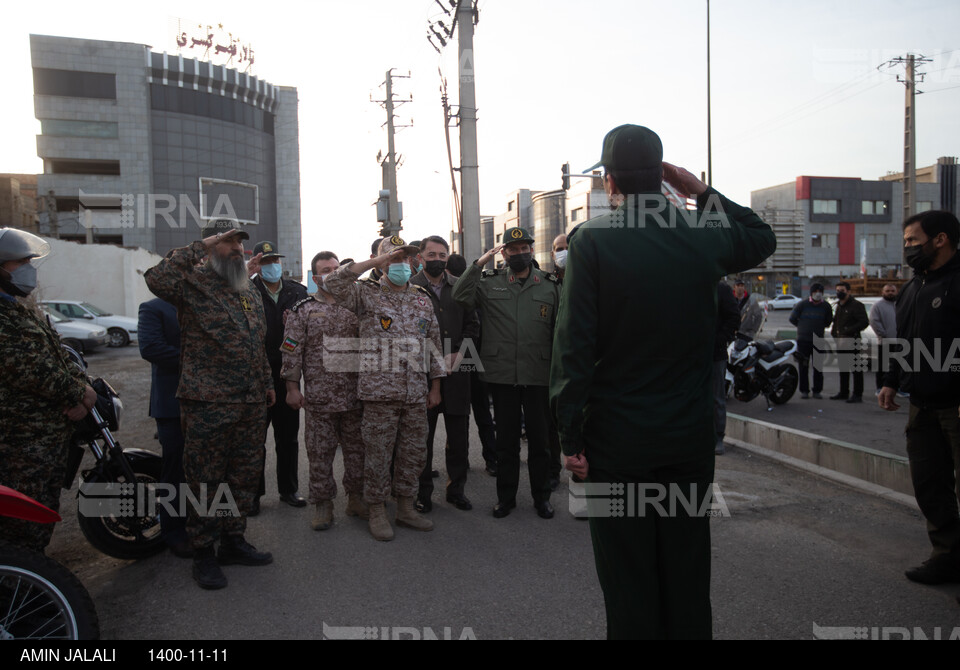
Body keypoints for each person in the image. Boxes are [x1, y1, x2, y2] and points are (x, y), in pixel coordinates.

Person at [550, 124, 776, 639]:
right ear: (664, 177)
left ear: (609, 181)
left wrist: (570, 437)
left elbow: (573, 349)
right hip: (688, 440)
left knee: (628, 576)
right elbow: (762, 236)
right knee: (687, 569)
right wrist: (700, 191)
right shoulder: (703, 235)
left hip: (616, 443)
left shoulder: (593, 242)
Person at [144, 220, 276, 590]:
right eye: (228, 242)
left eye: (239, 243)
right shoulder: (191, 285)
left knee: (242, 477)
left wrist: (266, 383)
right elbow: (156, 278)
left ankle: (233, 541)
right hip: (208, 402)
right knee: (205, 481)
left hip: (250, 401)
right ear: (211, 245)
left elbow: (257, 342)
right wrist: (200, 245)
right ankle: (203, 551)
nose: (237, 249)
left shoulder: (246, 288)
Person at [322, 235, 445, 541]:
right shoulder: (365, 294)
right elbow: (333, 284)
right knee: (377, 455)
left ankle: (405, 508)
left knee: (413, 454)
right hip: (379, 394)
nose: (400, 264)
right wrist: (376, 262)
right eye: (393, 258)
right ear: (380, 262)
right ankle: (376, 510)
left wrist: (436, 387)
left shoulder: (421, 297)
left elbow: (434, 345)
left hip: (415, 393)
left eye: (404, 258)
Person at [453, 226, 560, 520]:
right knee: (506, 444)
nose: (520, 253)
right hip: (502, 376)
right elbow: (460, 294)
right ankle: (506, 498)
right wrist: (478, 264)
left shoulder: (549, 285)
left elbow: (560, 331)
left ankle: (542, 498)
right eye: (513, 249)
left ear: (532, 250)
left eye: (525, 248)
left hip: (538, 375)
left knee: (540, 443)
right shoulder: (490, 282)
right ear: (504, 253)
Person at [0, 228, 97, 552]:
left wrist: (82, 388)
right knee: (21, 527)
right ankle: (19, 588)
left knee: (41, 516)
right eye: (21, 262)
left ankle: (28, 589)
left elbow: (58, 353)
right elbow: (28, 369)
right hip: (21, 443)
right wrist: (77, 394)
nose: (29, 268)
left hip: (47, 437)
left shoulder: (20, 309)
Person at [879, 210, 960, 585]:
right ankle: (946, 557)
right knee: (930, 486)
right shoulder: (911, 289)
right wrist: (891, 381)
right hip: (921, 407)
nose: (908, 249)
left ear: (940, 239)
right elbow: (901, 343)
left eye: (913, 241)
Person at [281, 251, 367, 531]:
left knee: (357, 452)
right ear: (316, 277)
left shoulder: (355, 304)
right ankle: (323, 504)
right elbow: (292, 352)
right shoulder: (302, 310)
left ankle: (355, 499)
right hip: (319, 399)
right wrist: (292, 388)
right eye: (326, 270)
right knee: (320, 454)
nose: (332, 273)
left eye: (336, 268)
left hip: (355, 395)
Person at [411, 236, 480, 512]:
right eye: (431, 254)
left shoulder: (459, 286)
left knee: (459, 437)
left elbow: (473, 326)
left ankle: (456, 490)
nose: (437, 259)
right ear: (420, 257)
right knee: (421, 439)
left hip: (457, 369)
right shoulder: (410, 287)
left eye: (442, 254)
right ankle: (422, 493)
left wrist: (461, 353)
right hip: (420, 373)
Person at [248, 240, 309, 510]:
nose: (272, 266)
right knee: (254, 441)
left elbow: (310, 329)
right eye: (266, 261)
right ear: (257, 265)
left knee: (288, 438)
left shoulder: (297, 292)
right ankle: (253, 495)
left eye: (275, 261)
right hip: (256, 375)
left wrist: (294, 325)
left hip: (287, 375)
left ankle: (289, 490)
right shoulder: (245, 290)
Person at [138, 297, 191, 557]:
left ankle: (205, 523)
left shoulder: (203, 301)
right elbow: (151, 348)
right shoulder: (153, 307)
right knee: (176, 469)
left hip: (207, 402)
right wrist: (199, 360)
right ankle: (174, 532)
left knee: (207, 468)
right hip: (172, 404)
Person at [789, 283, 833, 399]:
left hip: (818, 340)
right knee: (803, 366)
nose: (818, 294)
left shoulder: (826, 306)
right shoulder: (802, 305)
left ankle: (817, 390)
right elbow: (792, 318)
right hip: (803, 340)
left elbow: (828, 322)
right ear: (811, 293)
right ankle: (804, 390)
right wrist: (802, 326)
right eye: (815, 291)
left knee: (818, 367)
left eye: (820, 292)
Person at [830, 280, 869, 403]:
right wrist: (834, 334)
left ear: (848, 291)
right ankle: (843, 392)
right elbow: (836, 322)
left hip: (853, 340)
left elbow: (864, 322)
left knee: (856, 369)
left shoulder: (856, 305)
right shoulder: (839, 306)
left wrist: (848, 330)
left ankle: (857, 394)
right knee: (843, 368)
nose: (839, 293)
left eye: (842, 291)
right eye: (837, 291)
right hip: (840, 341)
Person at [714, 281, 740, 455]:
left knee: (716, 398)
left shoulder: (721, 289)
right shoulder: (688, 284)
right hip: (691, 354)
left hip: (714, 354)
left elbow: (734, 318)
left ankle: (717, 438)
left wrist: (720, 339)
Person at [869, 283, 899, 394]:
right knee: (883, 366)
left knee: (898, 366)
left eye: (892, 290)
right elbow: (874, 321)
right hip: (885, 342)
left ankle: (897, 388)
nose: (890, 293)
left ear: (896, 292)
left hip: (900, 342)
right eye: (887, 291)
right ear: (883, 292)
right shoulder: (878, 306)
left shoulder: (900, 304)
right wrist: (884, 334)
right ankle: (880, 388)